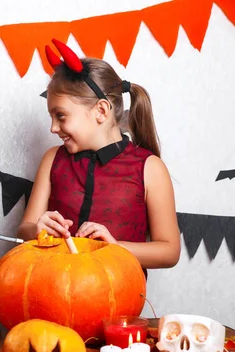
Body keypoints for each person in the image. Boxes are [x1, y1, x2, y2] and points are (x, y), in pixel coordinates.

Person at [17, 40, 180, 270]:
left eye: (61, 116)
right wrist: (36, 230)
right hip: (52, 288)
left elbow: (169, 251)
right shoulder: (53, 159)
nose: (53, 128)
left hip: (117, 296)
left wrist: (114, 247)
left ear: (101, 111)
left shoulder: (150, 168)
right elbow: (24, 229)